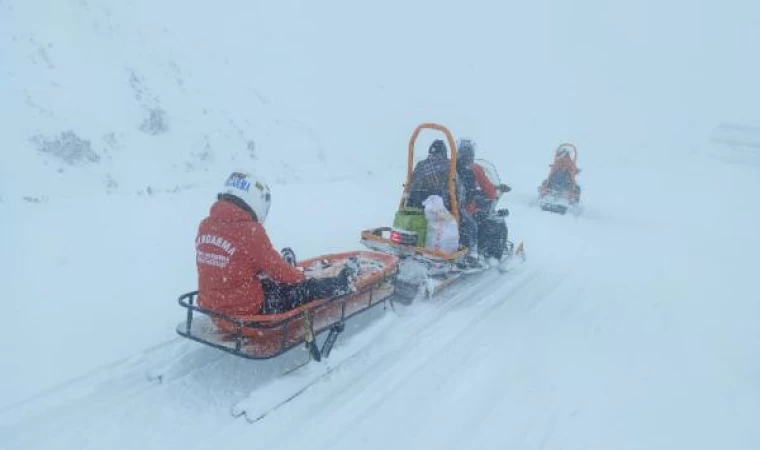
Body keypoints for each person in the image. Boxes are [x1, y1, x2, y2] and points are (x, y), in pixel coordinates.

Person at [195, 171, 359, 318]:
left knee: (271, 277)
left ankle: (288, 266)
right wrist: (303, 279)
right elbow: (279, 272)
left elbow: (234, 263)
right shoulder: (249, 231)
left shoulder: (206, 225)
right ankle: (342, 283)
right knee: (305, 290)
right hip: (246, 309)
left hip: (212, 305)